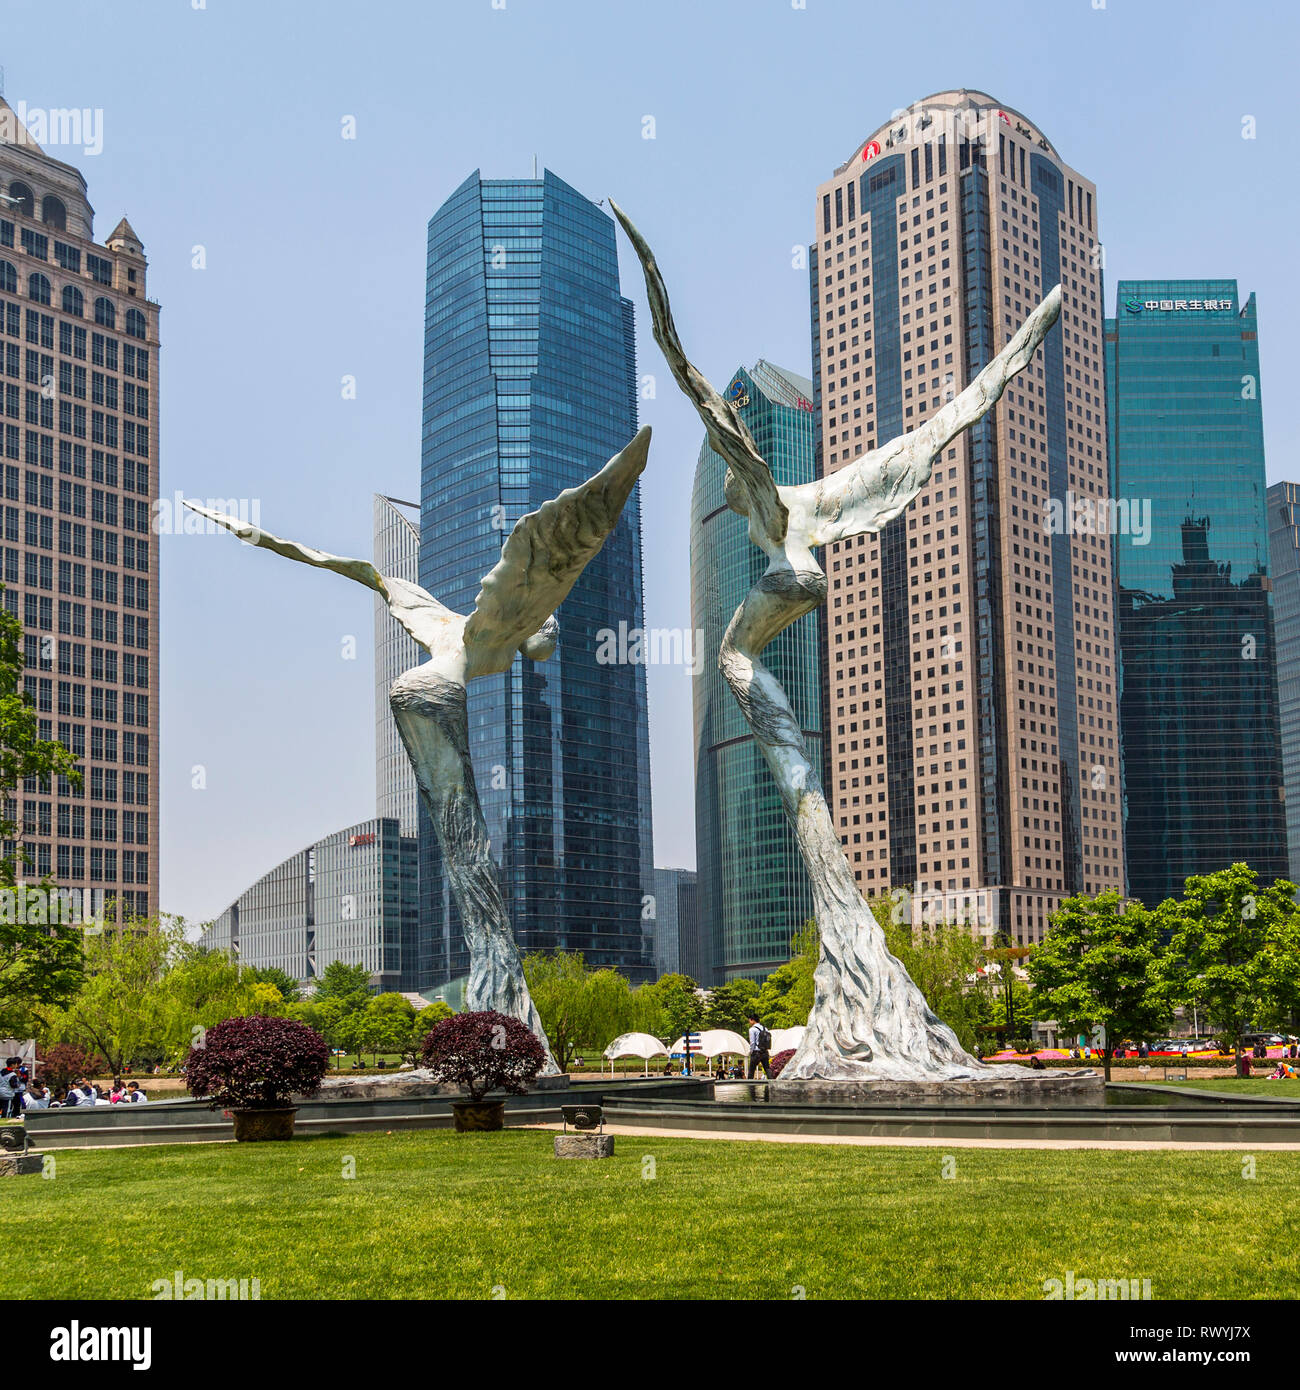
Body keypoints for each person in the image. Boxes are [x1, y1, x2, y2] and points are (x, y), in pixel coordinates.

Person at [746, 1014, 771, 1080]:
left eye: (749, 1020)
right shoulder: (765, 1028)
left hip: (756, 1052)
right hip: (765, 1052)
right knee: (767, 1069)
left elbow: (752, 1042)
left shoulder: (752, 1029)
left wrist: (751, 1052)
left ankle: (750, 1088)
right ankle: (772, 1083)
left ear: (752, 1020)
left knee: (751, 1070)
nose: (749, 1022)